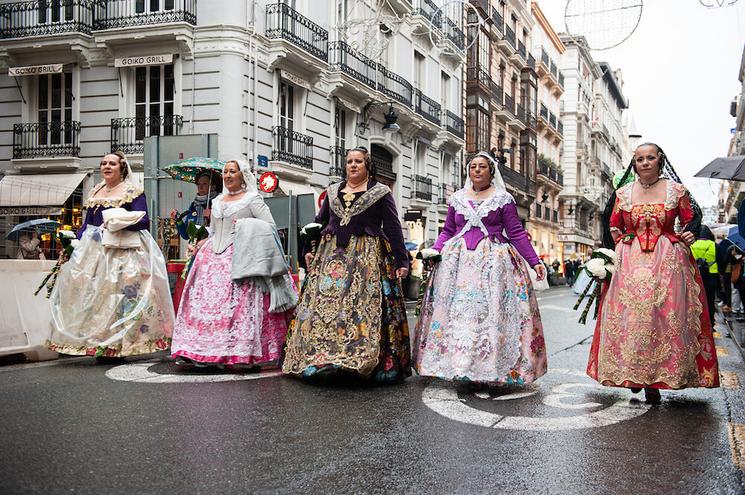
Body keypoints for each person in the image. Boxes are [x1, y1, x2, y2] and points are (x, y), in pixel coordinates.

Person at [588, 143, 720, 404]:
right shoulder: (623, 193)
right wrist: (615, 251)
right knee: (631, 320)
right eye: (639, 159)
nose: (645, 163)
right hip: (631, 263)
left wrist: (690, 232)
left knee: (662, 318)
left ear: (660, 161)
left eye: (650, 158)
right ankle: (635, 375)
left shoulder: (676, 191)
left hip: (668, 262)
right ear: (634, 164)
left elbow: (693, 216)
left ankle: (656, 378)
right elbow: (612, 224)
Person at [412, 151, 548, 386]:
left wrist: (534, 261)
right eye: (473, 166)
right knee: (454, 312)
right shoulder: (457, 198)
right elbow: (448, 230)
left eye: (482, 166)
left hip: (493, 264)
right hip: (457, 261)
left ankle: (488, 363)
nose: (476, 170)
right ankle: (457, 363)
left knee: (489, 312)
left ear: (491, 171)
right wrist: (435, 251)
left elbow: (515, 232)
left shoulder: (503, 199)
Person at [282, 146, 411, 383]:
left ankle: (356, 358)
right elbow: (318, 224)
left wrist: (402, 260)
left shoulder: (381, 193)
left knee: (360, 306)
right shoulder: (332, 192)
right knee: (325, 308)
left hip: (367, 258)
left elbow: (392, 227)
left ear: (367, 166)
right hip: (331, 259)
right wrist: (307, 251)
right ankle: (323, 358)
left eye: (359, 161)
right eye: (350, 161)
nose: (353, 165)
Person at [47, 151, 174, 360]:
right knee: (96, 299)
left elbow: (143, 222)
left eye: (112, 164)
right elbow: (87, 225)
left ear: (121, 168)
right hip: (96, 252)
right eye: (104, 163)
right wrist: (74, 244)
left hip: (123, 252)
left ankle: (121, 345)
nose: (106, 167)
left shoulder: (132, 192)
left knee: (121, 298)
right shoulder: (96, 191)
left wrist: (117, 221)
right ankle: (100, 343)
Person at [171, 160, 294, 368]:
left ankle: (236, 350)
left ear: (242, 175)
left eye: (232, 171)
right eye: (225, 172)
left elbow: (271, 227)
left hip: (241, 258)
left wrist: (245, 226)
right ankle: (201, 350)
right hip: (212, 257)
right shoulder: (218, 200)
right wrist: (202, 240)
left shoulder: (252, 199)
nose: (228, 175)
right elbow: (216, 231)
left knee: (237, 307)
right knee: (204, 303)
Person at [170, 170, 222, 239]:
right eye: (198, 184)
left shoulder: (219, 203)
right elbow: (186, 235)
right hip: (195, 247)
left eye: (204, 184)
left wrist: (211, 217)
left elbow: (223, 231)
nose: (200, 187)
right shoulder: (194, 205)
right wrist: (179, 221)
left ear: (213, 187)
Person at [691, 225, 718, 327]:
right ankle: (710, 322)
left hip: (695, 277)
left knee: (696, 300)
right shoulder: (713, 245)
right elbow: (721, 261)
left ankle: (697, 322)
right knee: (710, 301)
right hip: (711, 277)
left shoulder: (692, 244)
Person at [716, 234, 734, 313]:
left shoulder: (723, 245)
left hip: (728, 270)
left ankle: (729, 304)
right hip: (732, 270)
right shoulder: (732, 245)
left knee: (728, 288)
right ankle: (730, 304)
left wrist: (721, 271)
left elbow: (723, 259)